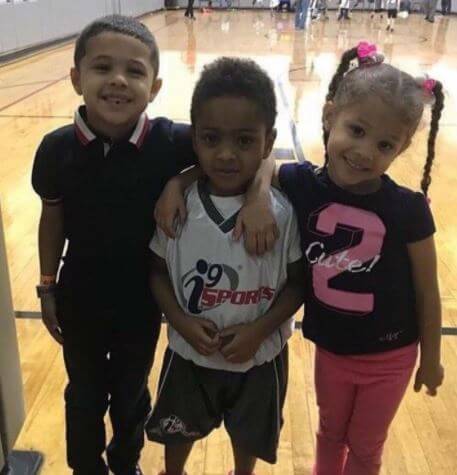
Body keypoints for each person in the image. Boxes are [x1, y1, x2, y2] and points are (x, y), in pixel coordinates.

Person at [32, 15, 275, 475]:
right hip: (78, 295)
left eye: (135, 71)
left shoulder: (171, 141)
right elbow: (52, 216)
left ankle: (126, 465)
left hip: (143, 300)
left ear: (155, 86)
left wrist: (186, 183)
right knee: (82, 394)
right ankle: (85, 468)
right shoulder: (55, 149)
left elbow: (258, 159)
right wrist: (47, 285)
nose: (119, 80)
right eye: (102, 68)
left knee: (131, 393)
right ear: (76, 78)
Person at [275, 42, 445, 474]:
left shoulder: (408, 209)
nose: (366, 152)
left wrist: (431, 358)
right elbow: (259, 167)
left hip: (390, 357)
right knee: (330, 432)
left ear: (402, 149)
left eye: (385, 144)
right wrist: (257, 200)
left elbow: (427, 290)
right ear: (331, 117)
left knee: (366, 445)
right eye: (356, 130)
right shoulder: (303, 183)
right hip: (331, 349)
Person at [145, 57, 304, 475]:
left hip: (259, 355)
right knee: (175, 433)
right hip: (188, 353)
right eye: (211, 139)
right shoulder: (177, 207)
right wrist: (178, 319)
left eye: (244, 141)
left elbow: (299, 285)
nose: (227, 154)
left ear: (268, 142)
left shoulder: (280, 213)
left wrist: (259, 330)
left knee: (248, 436)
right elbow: (157, 271)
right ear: (194, 140)